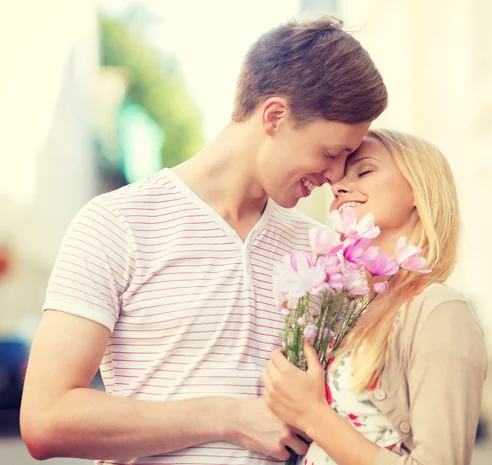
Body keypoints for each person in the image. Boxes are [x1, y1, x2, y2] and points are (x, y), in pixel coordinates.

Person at [20, 19, 387, 465]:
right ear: (275, 116)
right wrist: (228, 417)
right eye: (330, 153)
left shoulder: (323, 253)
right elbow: (45, 420)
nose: (335, 176)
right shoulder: (116, 224)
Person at [262, 129, 487, 465]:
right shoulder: (346, 311)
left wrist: (311, 414)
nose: (337, 187)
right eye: (338, 179)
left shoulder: (438, 311)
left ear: (419, 191)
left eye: (364, 171)